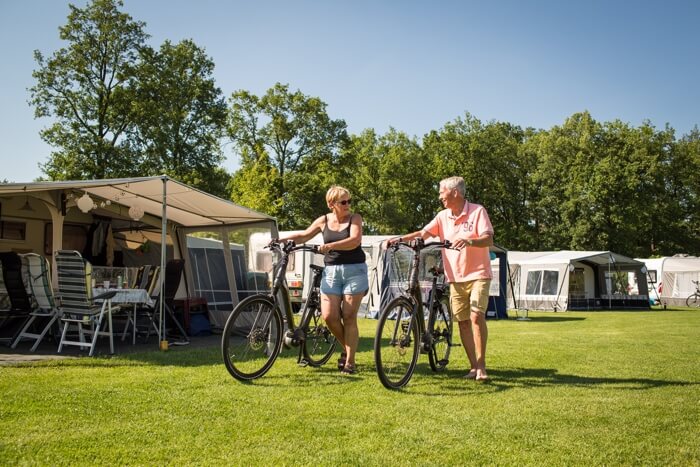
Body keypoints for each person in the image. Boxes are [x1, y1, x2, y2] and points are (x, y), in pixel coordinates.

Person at [387, 176, 494, 381]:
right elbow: (424, 233)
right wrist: (399, 239)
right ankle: (473, 367)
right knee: (462, 322)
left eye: (441, 192)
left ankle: (481, 367)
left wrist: (470, 240)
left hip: (478, 273)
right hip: (455, 276)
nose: (439, 196)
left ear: (455, 192)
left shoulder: (477, 211)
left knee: (476, 317)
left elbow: (488, 238)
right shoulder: (443, 216)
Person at [277, 186, 367, 374]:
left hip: (354, 271)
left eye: (349, 201)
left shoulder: (355, 218)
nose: (348, 205)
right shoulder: (323, 220)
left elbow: (355, 240)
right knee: (329, 316)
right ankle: (348, 348)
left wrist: (330, 246)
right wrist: (279, 240)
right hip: (332, 272)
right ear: (331, 204)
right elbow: (303, 235)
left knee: (349, 316)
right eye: (343, 202)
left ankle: (350, 362)